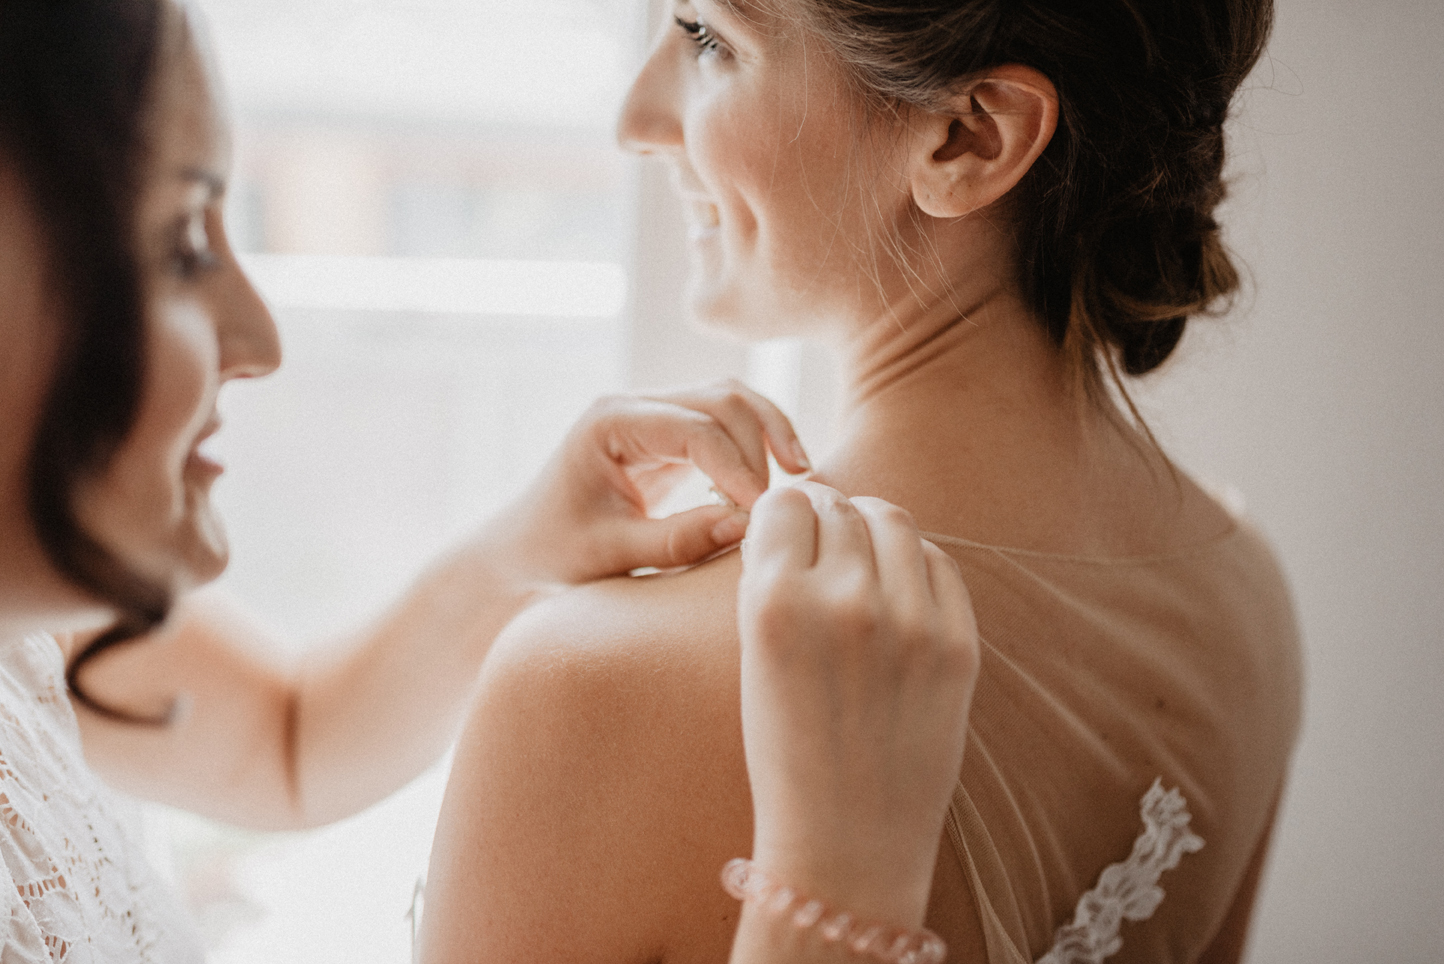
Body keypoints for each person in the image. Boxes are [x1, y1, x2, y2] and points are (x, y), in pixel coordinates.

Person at [0, 0, 981, 960]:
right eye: (176, 246)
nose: (259, 340)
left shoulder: (39, 631)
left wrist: (522, 549)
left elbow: (284, 740)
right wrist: (832, 898)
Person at [417, 0, 1304, 961]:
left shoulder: (595, 688)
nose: (635, 120)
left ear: (969, 137)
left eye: (710, 38)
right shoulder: (1242, 587)